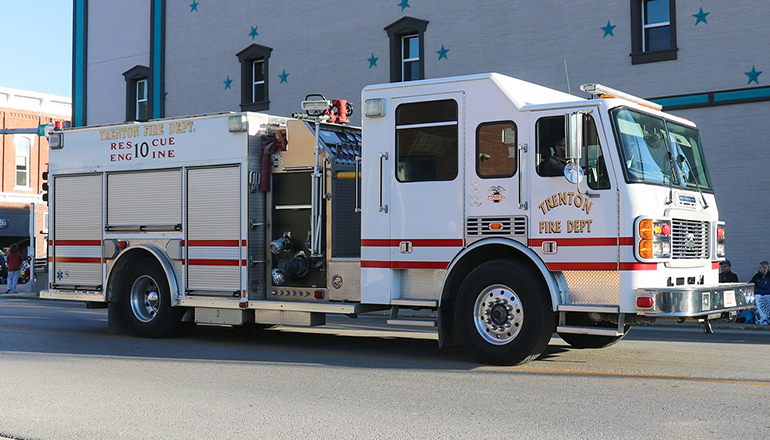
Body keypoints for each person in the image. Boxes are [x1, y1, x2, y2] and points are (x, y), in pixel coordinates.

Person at [750, 261, 770, 325]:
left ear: (765, 268)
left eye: (760, 267)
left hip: (767, 294)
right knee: (757, 298)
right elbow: (751, 284)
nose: (759, 269)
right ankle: (760, 319)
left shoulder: (769, 277)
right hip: (758, 294)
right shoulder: (757, 276)